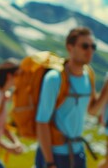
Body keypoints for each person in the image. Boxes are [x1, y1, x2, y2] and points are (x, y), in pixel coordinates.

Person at [35, 26, 102, 168]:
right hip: (55, 155)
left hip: (78, 153)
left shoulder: (89, 75)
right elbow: (42, 122)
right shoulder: (55, 78)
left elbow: (92, 111)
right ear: (70, 47)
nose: (90, 50)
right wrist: (49, 162)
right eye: (85, 46)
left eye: (93, 46)